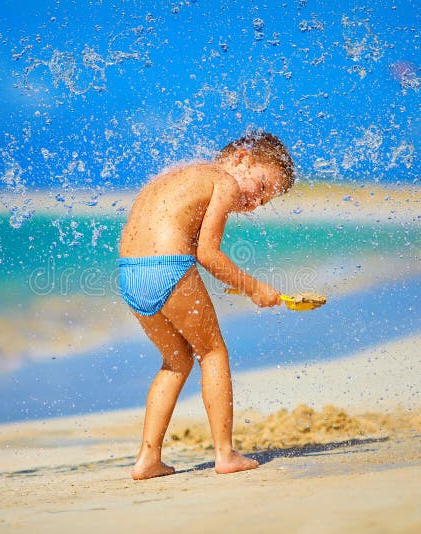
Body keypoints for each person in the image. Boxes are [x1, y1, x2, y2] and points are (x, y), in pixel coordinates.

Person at [118, 131, 295, 480]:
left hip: (129, 274)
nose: (254, 203)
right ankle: (224, 454)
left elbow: (170, 232)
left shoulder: (178, 174)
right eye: (260, 188)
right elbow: (207, 255)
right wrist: (253, 287)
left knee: (176, 361)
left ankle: (147, 459)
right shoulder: (224, 181)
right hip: (167, 270)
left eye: (263, 202)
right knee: (212, 352)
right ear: (242, 158)